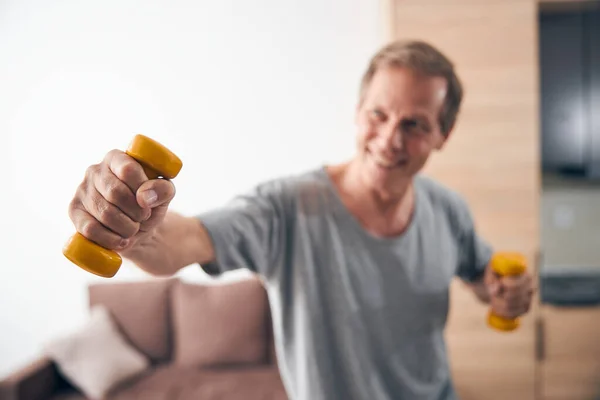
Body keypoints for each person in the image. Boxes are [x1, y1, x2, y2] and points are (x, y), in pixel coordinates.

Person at [68, 39, 534, 400]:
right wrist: (139, 228)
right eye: (379, 114)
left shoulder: (448, 209)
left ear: (443, 134)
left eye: (414, 124)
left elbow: (482, 276)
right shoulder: (286, 206)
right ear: (357, 113)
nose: (390, 139)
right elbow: (185, 241)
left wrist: (504, 293)